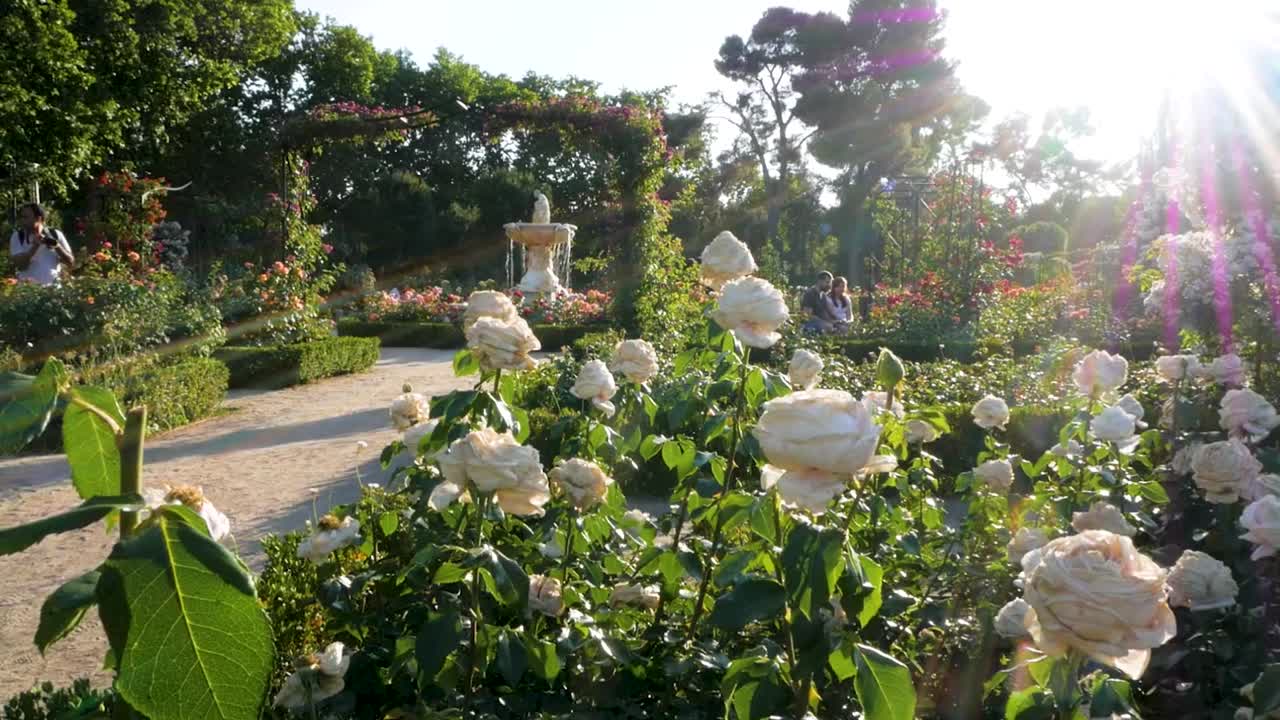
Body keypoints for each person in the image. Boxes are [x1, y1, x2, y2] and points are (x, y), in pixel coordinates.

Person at [9, 203, 73, 285]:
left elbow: (70, 262)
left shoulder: (55, 234)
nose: (22, 220)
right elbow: (20, 265)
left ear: (38, 218)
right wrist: (35, 246)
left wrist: (57, 246)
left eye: (26, 217)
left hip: (53, 291)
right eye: (21, 217)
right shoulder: (18, 236)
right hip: (27, 291)